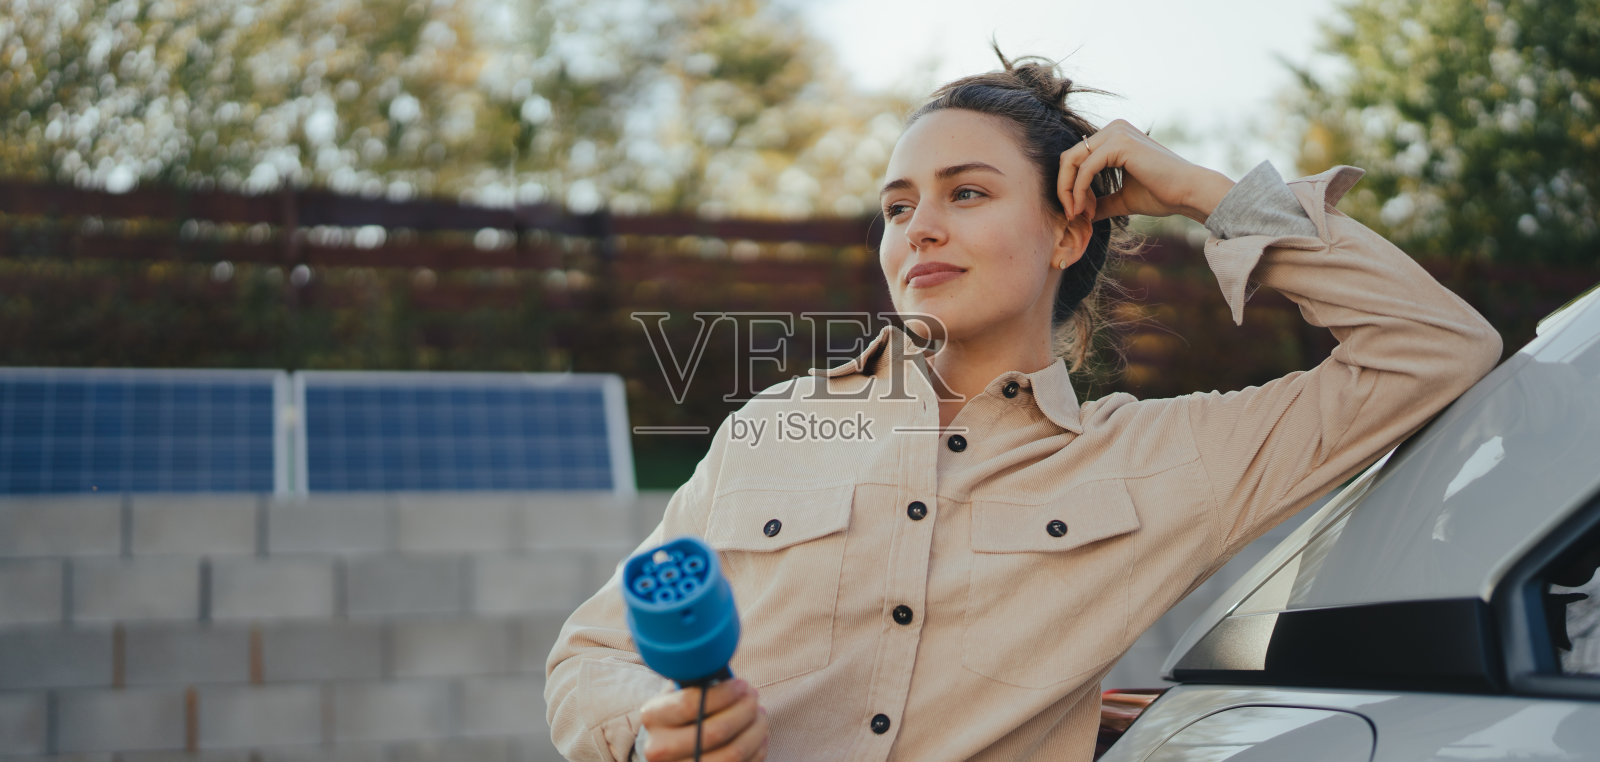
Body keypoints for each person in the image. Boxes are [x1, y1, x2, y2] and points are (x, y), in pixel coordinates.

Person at [545, 50, 1503, 762]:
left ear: (1064, 229)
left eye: (966, 192)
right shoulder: (774, 427)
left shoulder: (1167, 462)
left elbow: (1433, 347)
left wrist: (1208, 194)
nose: (920, 226)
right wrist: (649, 729)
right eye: (896, 205)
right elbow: (589, 654)